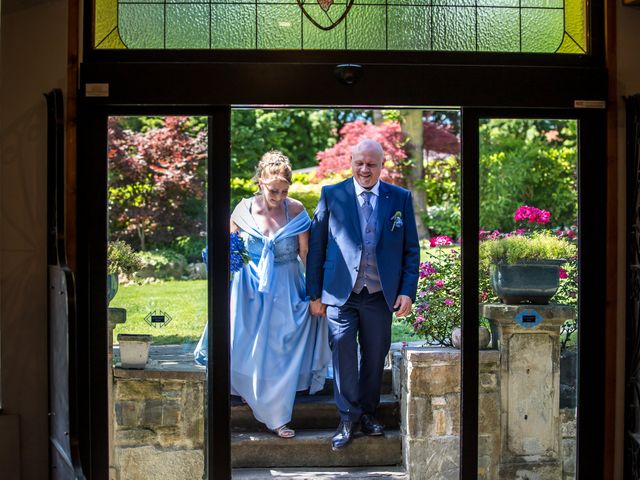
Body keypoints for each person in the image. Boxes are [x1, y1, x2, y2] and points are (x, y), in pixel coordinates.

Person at [196, 150, 331, 439]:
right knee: (247, 343)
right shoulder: (242, 210)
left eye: (284, 191)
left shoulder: (296, 211)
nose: (278, 196)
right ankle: (251, 393)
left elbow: (306, 254)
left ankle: (275, 411)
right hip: (250, 286)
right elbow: (228, 249)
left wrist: (315, 294)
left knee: (278, 347)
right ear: (260, 182)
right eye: (273, 190)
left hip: (286, 284)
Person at [306, 139, 419, 450]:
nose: (365, 169)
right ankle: (347, 417)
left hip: (379, 294)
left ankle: (368, 414)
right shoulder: (332, 194)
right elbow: (317, 247)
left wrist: (407, 291)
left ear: (382, 166)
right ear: (351, 162)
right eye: (360, 163)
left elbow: (411, 250)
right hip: (341, 293)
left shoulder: (399, 198)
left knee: (374, 355)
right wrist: (314, 294)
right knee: (342, 349)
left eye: (372, 164)